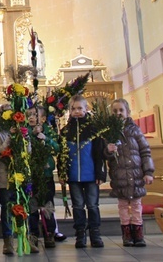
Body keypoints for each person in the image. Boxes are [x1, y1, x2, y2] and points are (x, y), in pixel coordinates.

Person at [105, 98, 154, 247]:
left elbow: (145, 151)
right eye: (115, 111)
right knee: (123, 208)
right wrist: (108, 150)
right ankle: (127, 235)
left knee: (137, 206)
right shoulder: (110, 132)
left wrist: (148, 171)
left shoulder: (135, 130)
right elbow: (104, 155)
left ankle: (138, 235)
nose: (118, 113)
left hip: (136, 175)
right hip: (120, 177)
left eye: (121, 110)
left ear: (127, 112)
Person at [63, 94, 107, 248]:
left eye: (80, 108)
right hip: (74, 176)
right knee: (78, 206)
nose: (77, 111)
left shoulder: (94, 129)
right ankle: (80, 234)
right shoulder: (66, 130)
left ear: (86, 109)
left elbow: (99, 153)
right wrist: (63, 174)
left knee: (93, 205)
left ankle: (95, 233)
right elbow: (63, 156)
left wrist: (101, 173)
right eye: (73, 109)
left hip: (91, 175)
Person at [25, 106, 60, 252]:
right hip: (31, 175)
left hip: (45, 175)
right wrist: (31, 137)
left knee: (47, 205)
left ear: (43, 119)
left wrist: (45, 138)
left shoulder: (49, 131)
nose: (32, 117)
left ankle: (49, 233)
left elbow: (57, 148)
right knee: (32, 205)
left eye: (35, 115)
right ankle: (33, 234)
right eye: (29, 115)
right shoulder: (26, 132)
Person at [0, 104, 15, 255]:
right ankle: (8, 240)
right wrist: (10, 138)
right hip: (3, 177)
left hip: (18, 176)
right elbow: (0, 152)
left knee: (20, 206)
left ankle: (23, 236)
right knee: (6, 207)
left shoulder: (20, 132)